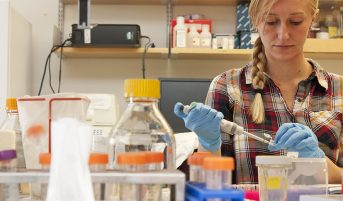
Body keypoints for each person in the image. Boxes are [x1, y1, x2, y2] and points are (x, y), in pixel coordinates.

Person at [174, 0, 342, 184]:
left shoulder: (338, 88)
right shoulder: (227, 86)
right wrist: (207, 144)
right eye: (271, 22)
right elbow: (210, 185)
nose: (283, 34)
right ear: (255, 20)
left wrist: (317, 162)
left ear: (312, 19)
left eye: (295, 22)